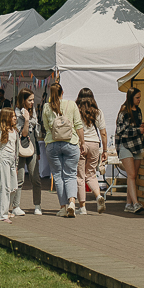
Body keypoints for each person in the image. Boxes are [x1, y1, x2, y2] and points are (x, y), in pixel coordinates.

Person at [42, 82, 85, 218]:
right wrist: (82, 142)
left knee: (58, 176)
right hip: (71, 142)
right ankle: (72, 202)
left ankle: (63, 207)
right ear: (62, 92)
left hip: (52, 144)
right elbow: (78, 125)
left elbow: (46, 127)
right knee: (71, 174)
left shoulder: (46, 107)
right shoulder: (71, 105)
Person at [75, 88, 108, 215]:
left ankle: (82, 206)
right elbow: (103, 133)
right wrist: (105, 150)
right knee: (91, 174)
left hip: (80, 144)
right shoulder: (98, 112)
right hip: (94, 143)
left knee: (80, 176)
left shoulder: (76, 112)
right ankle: (98, 196)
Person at [115, 87, 144, 214]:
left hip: (137, 145)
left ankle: (128, 204)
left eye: (140, 97)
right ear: (131, 98)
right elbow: (121, 131)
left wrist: (142, 127)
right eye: (137, 97)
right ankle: (135, 203)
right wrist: (137, 130)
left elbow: (137, 126)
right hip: (125, 145)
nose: (139, 100)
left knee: (133, 176)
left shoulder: (138, 111)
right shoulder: (124, 112)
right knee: (131, 175)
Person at [14, 89, 44, 216]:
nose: (32, 102)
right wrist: (26, 120)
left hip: (32, 146)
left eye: (33, 100)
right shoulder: (17, 113)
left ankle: (37, 205)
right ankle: (16, 205)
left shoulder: (33, 112)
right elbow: (24, 133)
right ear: (23, 100)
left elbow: (35, 133)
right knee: (19, 178)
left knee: (35, 177)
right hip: (20, 145)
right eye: (29, 100)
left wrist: (37, 150)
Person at [0, 108, 19, 223]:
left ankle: (0, 209)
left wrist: (15, 164)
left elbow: (16, 149)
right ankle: (2, 214)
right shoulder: (0, 131)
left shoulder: (14, 131)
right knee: (4, 187)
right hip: (3, 159)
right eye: (12, 116)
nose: (15, 118)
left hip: (11, 160)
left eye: (15, 116)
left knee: (13, 187)